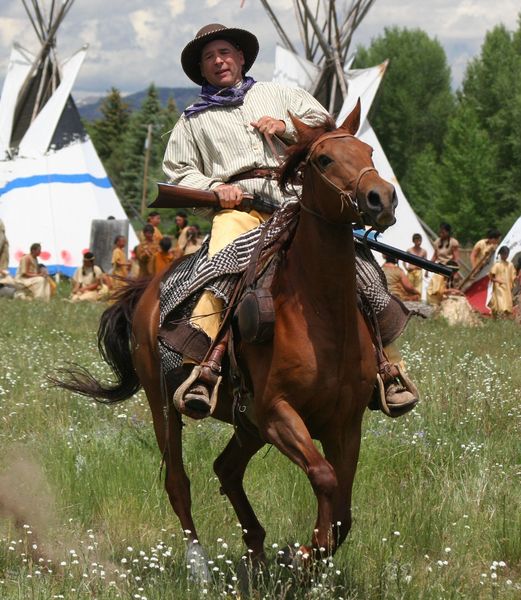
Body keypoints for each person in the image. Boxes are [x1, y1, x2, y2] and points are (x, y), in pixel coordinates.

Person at [161, 23, 418, 418]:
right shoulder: (192, 121)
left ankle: (388, 368)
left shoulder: (279, 94)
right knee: (223, 266)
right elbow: (178, 171)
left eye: (225, 52)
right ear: (202, 69)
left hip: (294, 202)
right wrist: (216, 187)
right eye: (209, 57)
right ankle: (204, 367)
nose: (219, 61)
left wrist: (284, 129)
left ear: (241, 57)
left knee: (359, 266)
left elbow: (329, 134)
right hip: (238, 210)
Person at [427, 223, 460, 306]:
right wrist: (428, 267)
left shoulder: (453, 242)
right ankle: (436, 304)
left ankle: (448, 306)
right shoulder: (437, 241)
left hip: (449, 268)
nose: (441, 234)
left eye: (443, 232)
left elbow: (456, 258)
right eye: (440, 232)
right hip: (439, 268)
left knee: (447, 288)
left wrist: (456, 272)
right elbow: (435, 256)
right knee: (437, 288)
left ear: (448, 232)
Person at [488, 246, 516, 318]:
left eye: (507, 254)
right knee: (500, 304)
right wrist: (498, 280)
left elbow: (513, 276)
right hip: (499, 289)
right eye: (504, 254)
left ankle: (505, 318)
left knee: (507, 303)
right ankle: (499, 317)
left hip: (507, 288)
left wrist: (514, 281)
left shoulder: (510, 265)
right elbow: (491, 277)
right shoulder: (497, 265)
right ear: (500, 254)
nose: (506, 256)